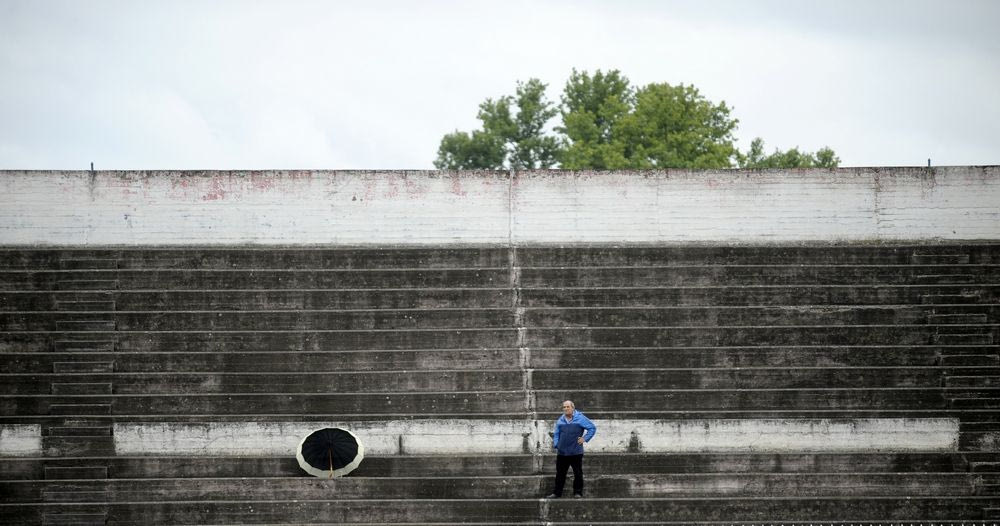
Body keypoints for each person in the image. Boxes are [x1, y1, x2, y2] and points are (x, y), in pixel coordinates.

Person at [546, 400, 596, 498]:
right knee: (560, 474)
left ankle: (577, 493)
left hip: (576, 451)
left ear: (573, 408)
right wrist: (557, 444)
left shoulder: (580, 418)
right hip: (562, 452)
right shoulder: (561, 420)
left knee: (577, 473)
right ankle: (557, 493)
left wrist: (584, 438)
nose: (565, 409)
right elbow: (556, 434)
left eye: (567, 407)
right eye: (564, 407)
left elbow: (592, 428)